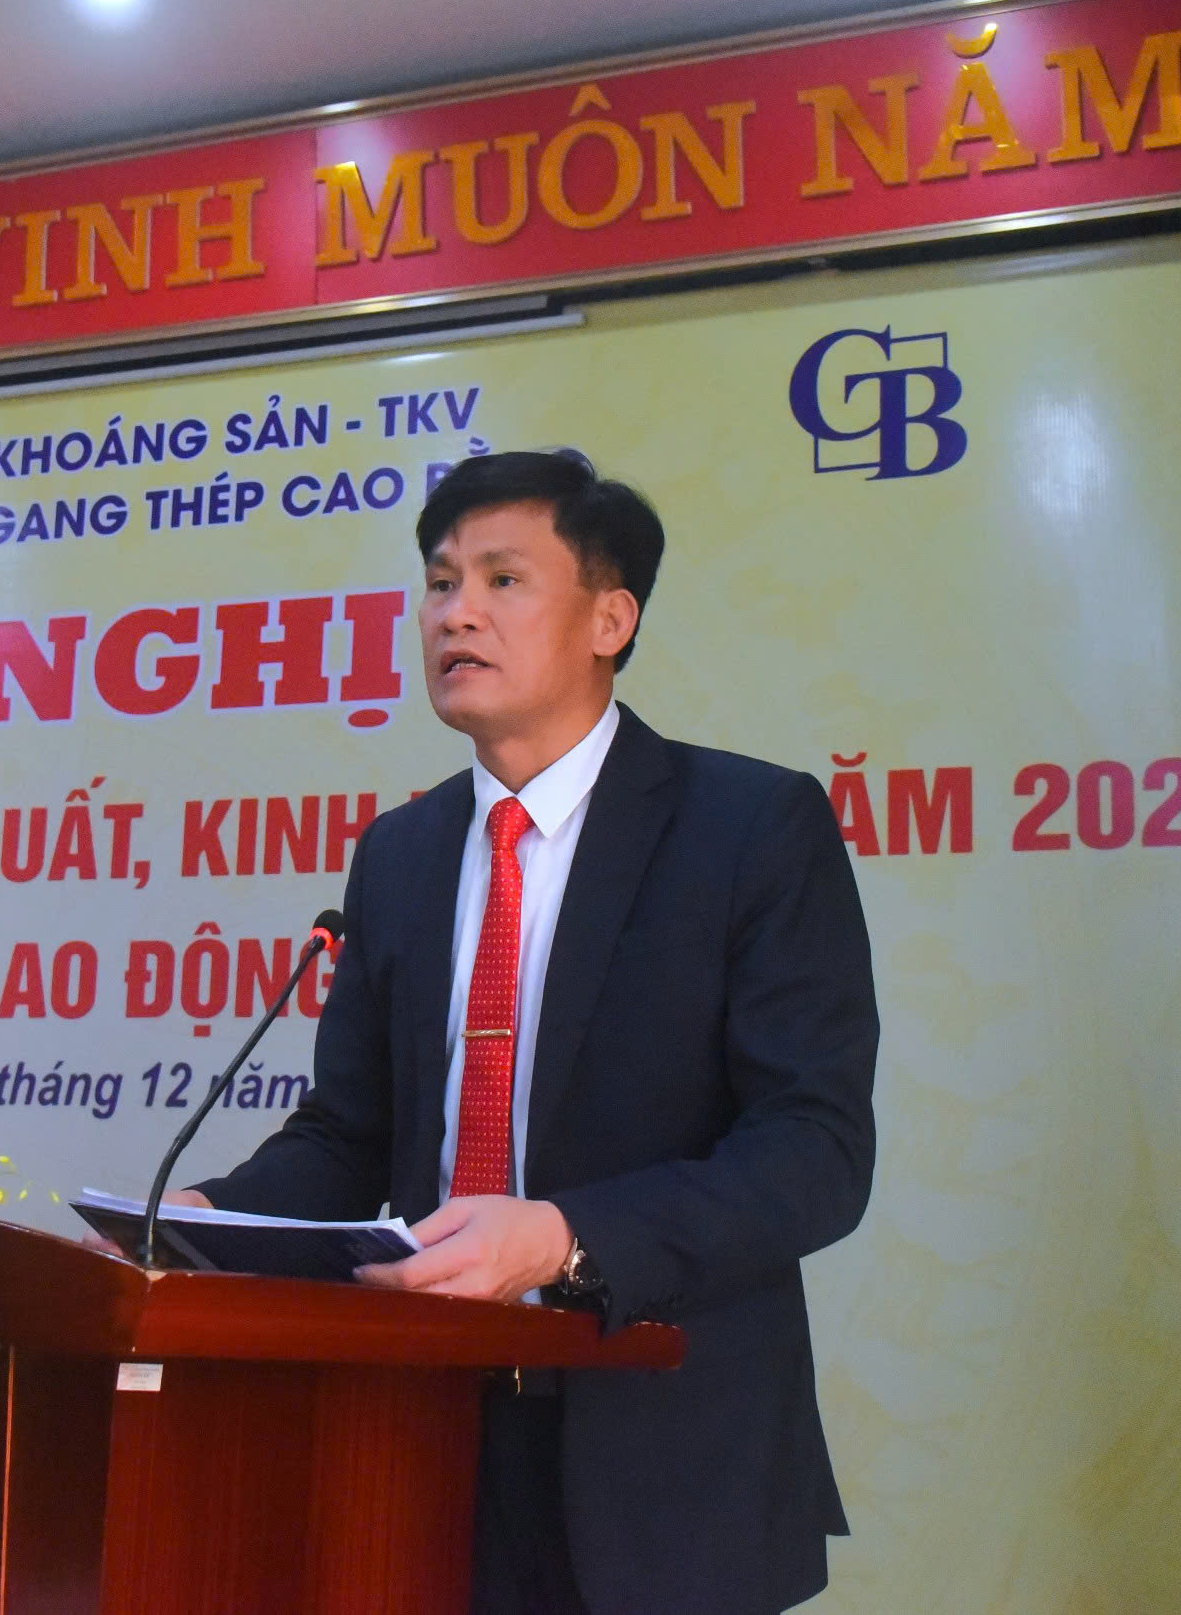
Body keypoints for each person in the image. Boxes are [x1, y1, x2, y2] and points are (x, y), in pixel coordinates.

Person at [186, 448, 879, 1615]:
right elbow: (350, 1136)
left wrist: (565, 1237)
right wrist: (210, 1220)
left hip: (661, 1442)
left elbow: (813, 1153)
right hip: (420, 1429)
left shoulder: (750, 826)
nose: (455, 611)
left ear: (610, 618)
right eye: (439, 581)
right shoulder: (400, 855)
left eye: (502, 579)